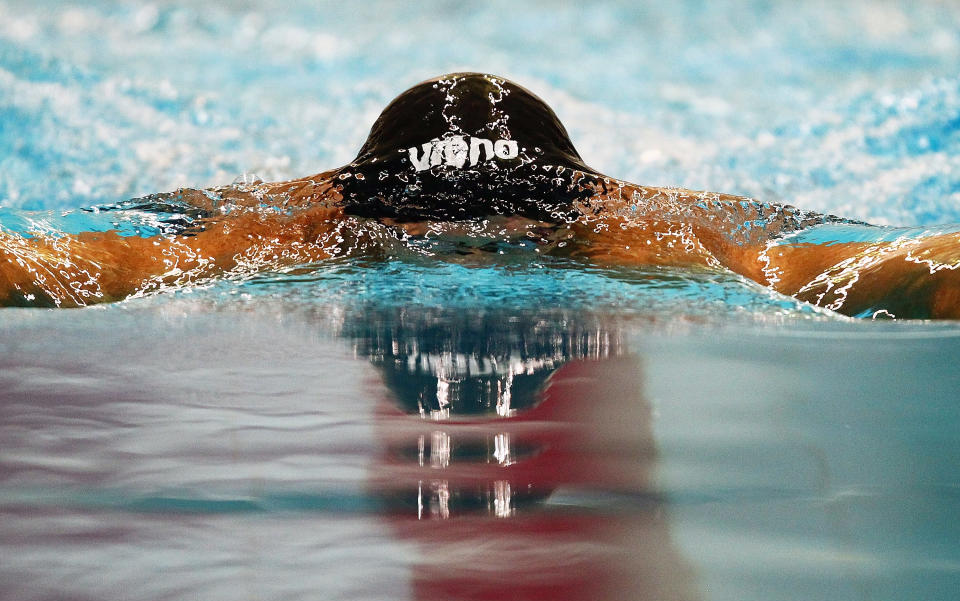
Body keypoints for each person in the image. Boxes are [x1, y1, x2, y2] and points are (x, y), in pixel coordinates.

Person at [1, 72, 958, 318]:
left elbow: (853, 269)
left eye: (510, 231)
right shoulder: (287, 228)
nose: (468, 257)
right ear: (361, 214)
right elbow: (97, 264)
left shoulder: (648, 234)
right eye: (429, 231)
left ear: (573, 214)